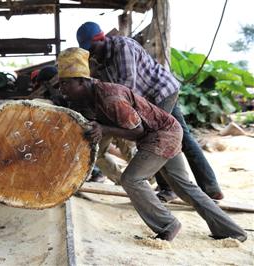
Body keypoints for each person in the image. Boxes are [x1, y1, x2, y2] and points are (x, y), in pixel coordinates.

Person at [56, 47, 247, 242]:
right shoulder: (88, 98)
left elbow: (137, 131)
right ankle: (232, 231)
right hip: (164, 132)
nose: (61, 90)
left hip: (162, 134)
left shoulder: (110, 97)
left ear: (81, 81)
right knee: (184, 188)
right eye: (60, 85)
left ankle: (168, 225)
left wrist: (104, 130)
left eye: (65, 84)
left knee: (131, 179)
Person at [76, 21, 224, 201]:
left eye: (91, 48)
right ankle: (180, 188)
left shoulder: (122, 47)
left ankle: (200, 187)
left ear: (100, 39)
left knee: (158, 139)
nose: (91, 53)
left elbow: (126, 88)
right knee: (169, 138)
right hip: (147, 102)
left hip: (161, 93)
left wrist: (116, 119)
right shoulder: (102, 62)